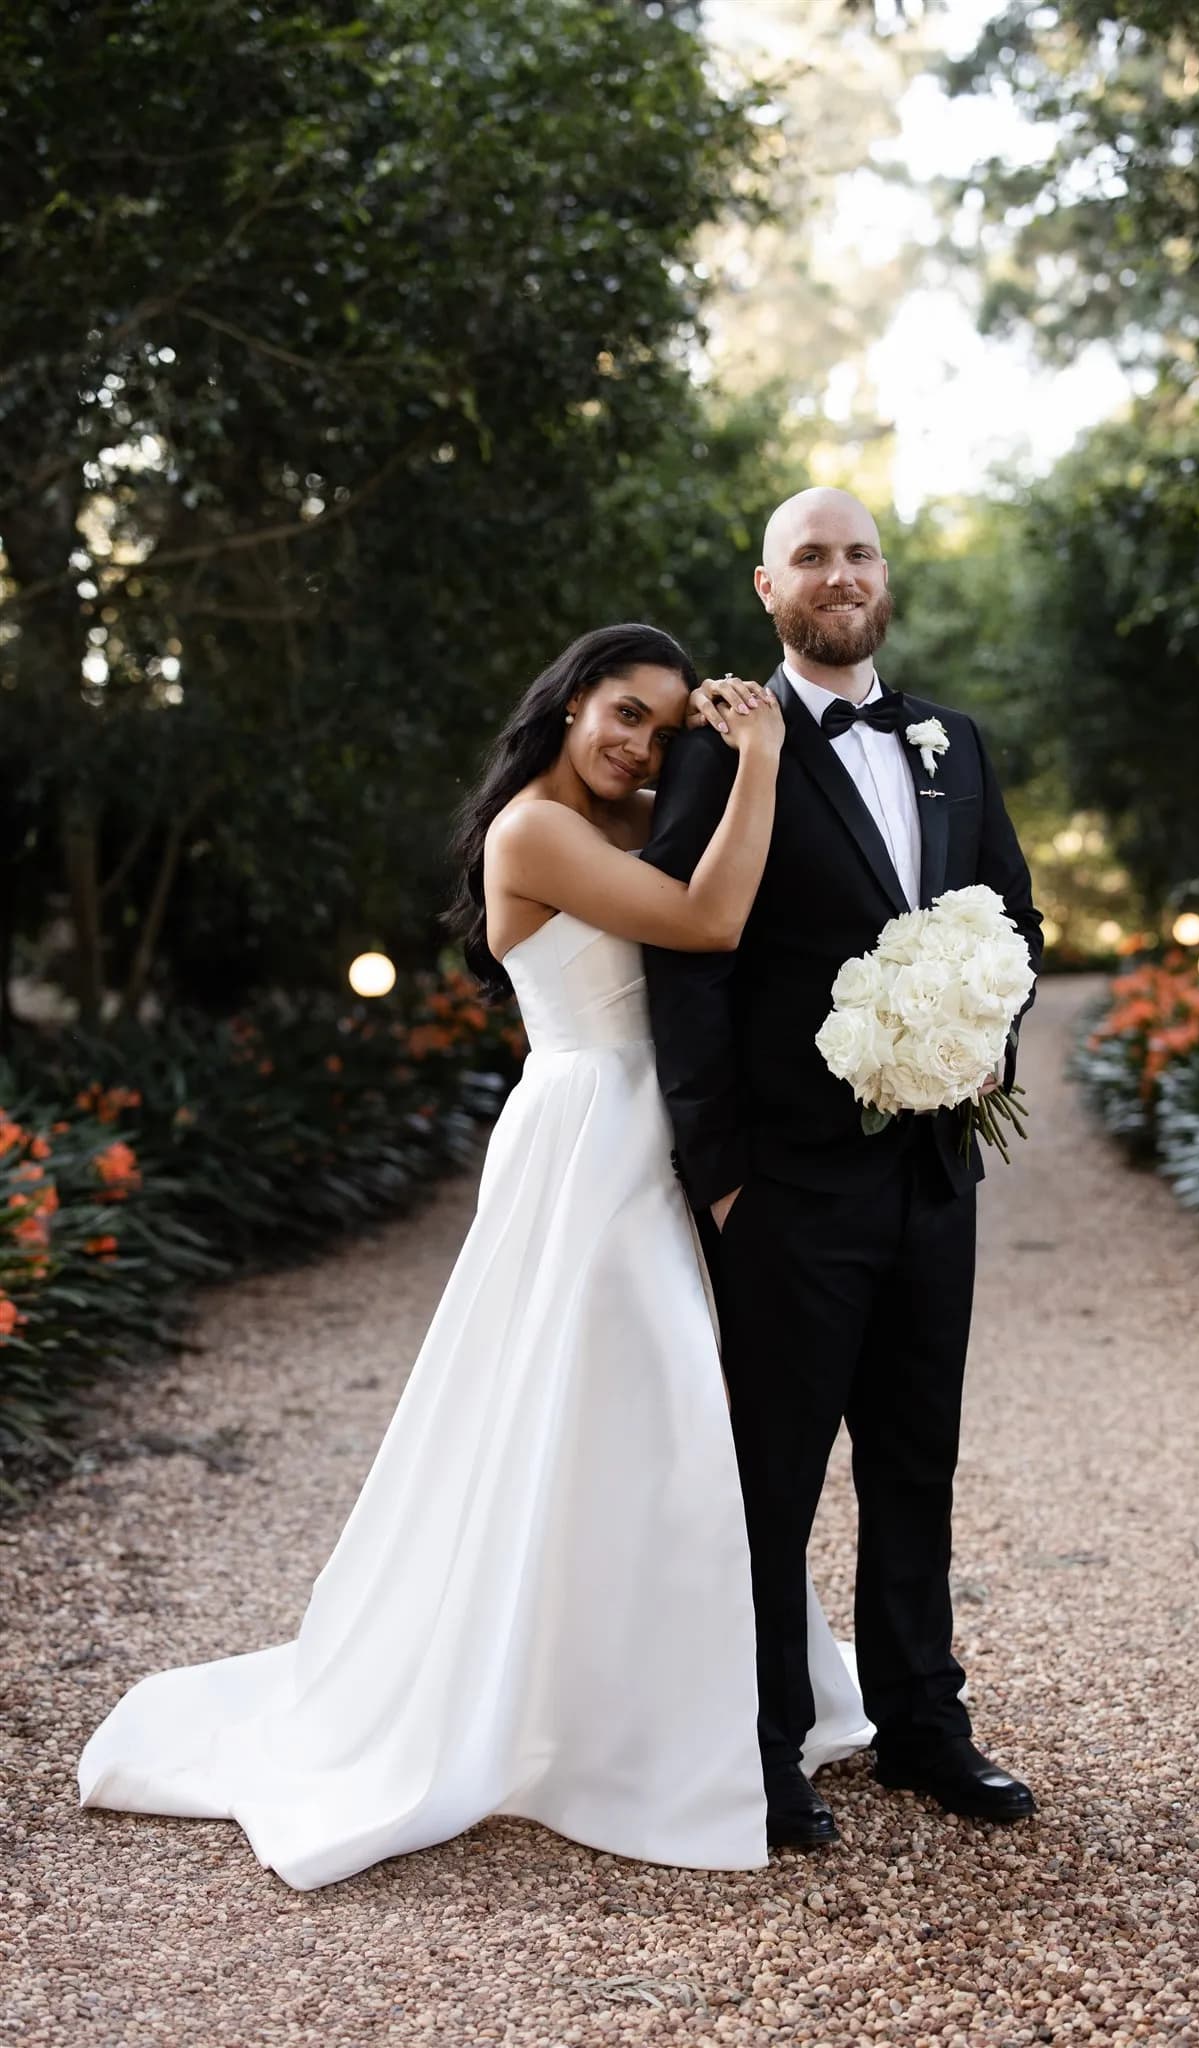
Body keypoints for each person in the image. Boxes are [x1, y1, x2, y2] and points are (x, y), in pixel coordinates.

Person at [76, 622, 869, 1891]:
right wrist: (761, 754)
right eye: (623, 712)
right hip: (588, 1144)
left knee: (645, 1426)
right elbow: (712, 919)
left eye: (666, 729)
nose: (642, 745)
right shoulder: (534, 832)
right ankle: (627, 1729)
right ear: (567, 704)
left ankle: (673, 1698)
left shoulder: (630, 814)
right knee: (649, 1408)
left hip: (648, 1136)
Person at [644, 490, 1045, 1850]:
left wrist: (990, 1036)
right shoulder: (720, 745)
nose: (839, 574)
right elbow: (687, 960)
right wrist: (722, 1172)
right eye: (810, 556)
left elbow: (1014, 920)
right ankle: (758, 1749)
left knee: (915, 1461)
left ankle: (925, 1727)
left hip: (934, 1175)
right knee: (774, 1477)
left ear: (885, 574)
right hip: (787, 1186)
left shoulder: (954, 742)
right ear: (767, 589)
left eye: (857, 552)